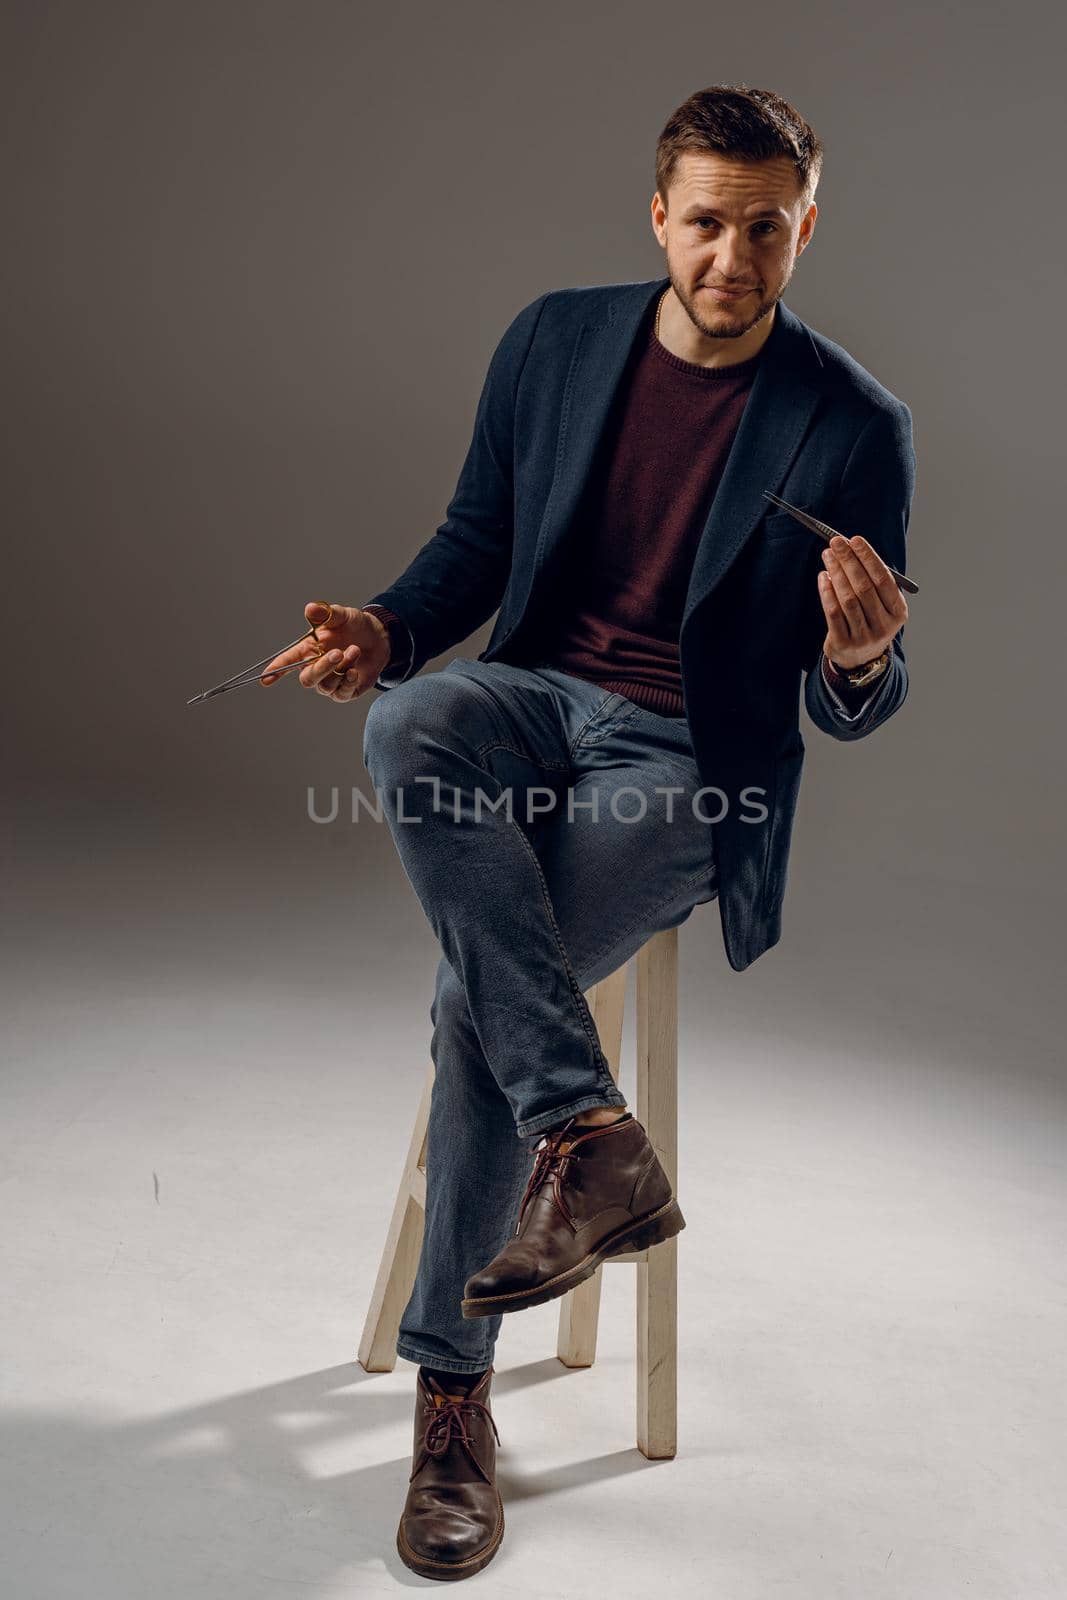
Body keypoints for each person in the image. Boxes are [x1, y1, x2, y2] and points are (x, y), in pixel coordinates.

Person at [261, 84, 915, 1581]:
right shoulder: (556, 341)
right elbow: (476, 546)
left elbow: (859, 700)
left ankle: (453, 1399)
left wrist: (863, 659)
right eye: (706, 223)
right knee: (409, 720)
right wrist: (387, 626)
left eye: (767, 230)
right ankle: (592, 1135)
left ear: (804, 226)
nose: (732, 260)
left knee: (475, 1000)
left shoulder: (857, 423)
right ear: (658, 215)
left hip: (693, 764)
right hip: (540, 694)